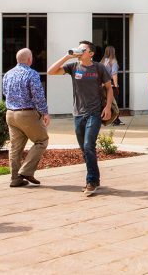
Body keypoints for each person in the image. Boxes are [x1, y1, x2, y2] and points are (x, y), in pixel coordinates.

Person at [48, 40, 114, 196]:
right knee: (85, 149)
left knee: (88, 145)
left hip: (94, 112)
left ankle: (90, 181)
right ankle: (95, 178)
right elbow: (51, 71)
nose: (79, 51)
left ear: (91, 53)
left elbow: (109, 88)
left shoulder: (99, 68)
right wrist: (67, 56)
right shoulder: (73, 67)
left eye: (82, 49)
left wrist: (107, 107)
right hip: (78, 113)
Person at [2, 47, 50, 188]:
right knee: (42, 141)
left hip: (10, 113)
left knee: (15, 147)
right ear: (29, 60)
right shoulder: (32, 74)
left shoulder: (8, 74)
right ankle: (26, 171)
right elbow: (38, 95)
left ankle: (15, 178)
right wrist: (44, 112)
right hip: (27, 113)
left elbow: (5, 92)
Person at [102, 45, 123, 126]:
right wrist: (116, 85)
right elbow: (114, 74)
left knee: (106, 101)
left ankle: (107, 118)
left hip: (103, 84)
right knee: (114, 102)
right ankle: (115, 120)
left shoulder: (103, 61)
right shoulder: (113, 61)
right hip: (110, 84)